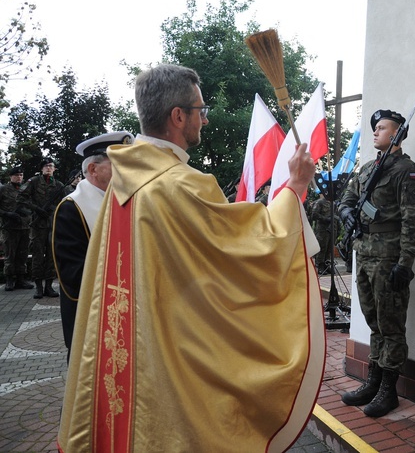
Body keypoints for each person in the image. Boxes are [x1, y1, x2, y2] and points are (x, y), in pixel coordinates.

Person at [57, 64, 325, 453]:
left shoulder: (123, 185)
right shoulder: (179, 185)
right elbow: (252, 250)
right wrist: (295, 186)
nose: (204, 117)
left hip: (134, 346)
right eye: (201, 109)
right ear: (178, 116)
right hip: (170, 353)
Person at [338, 108, 415, 417]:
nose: (375, 132)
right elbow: (346, 201)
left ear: (398, 134)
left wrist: (405, 262)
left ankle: (389, 391)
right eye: (375, 127)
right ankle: (372, 382)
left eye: (383, 128)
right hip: (364, 254)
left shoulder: (406, 171)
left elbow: (413, 222)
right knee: (373, 320)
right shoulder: (366, 170)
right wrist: (347, 214)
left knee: (391, 324)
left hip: (389, 257)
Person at [52, 131, 134, 363]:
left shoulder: (125, 200)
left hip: (126, 312)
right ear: (93, 169)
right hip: (90, 317)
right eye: (117, 163)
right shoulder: (72, 207)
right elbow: (72, 276)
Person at [19, 157, 63, 298]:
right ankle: (38, 287)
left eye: (51, 166)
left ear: (54, 169)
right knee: (37, 255)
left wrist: (53, 208)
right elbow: (20, 198)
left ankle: (49, 286)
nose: (48, 168)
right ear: (41, 168)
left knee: (51, 255)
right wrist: (36, 209)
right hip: (38, 225)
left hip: (52, 224)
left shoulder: (59, 185)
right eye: (46, 166)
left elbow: (65, 204)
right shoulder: (34, 181)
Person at [0, 166, 33, 291]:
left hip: (25, 227)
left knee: (23, 254)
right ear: (11, 176)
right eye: (16, 175)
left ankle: (21, 279)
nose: (19, 177)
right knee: (10, 254)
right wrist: (6, 214)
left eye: (21, 175)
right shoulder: (3, 189)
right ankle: (9, 279)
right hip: (9, 228)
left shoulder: (25, 189)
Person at [310, 192, 334, 273]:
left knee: (329, 248)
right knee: (322, 247)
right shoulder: (319, 202)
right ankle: (320, 266)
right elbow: (314, 215)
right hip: (322, 229)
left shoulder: (333, 202)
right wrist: (325, 219)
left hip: (331, 228)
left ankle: (327, 265)